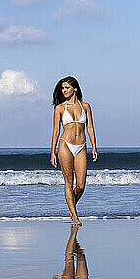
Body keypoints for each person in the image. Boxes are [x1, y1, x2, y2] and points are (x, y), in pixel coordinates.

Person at [50, 76, 98, 226]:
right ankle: (75, 217)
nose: (64, 91)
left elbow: (90, 127)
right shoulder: (59, 108)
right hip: (65, 145)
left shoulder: (85, 106)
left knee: (81, 185)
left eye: (67, 88)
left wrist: (94, 146)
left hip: (82, 146)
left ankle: (72, 208)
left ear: (75, 89)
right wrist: (52, 152)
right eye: (62, 88)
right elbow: (56, 131)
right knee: (68, 181)